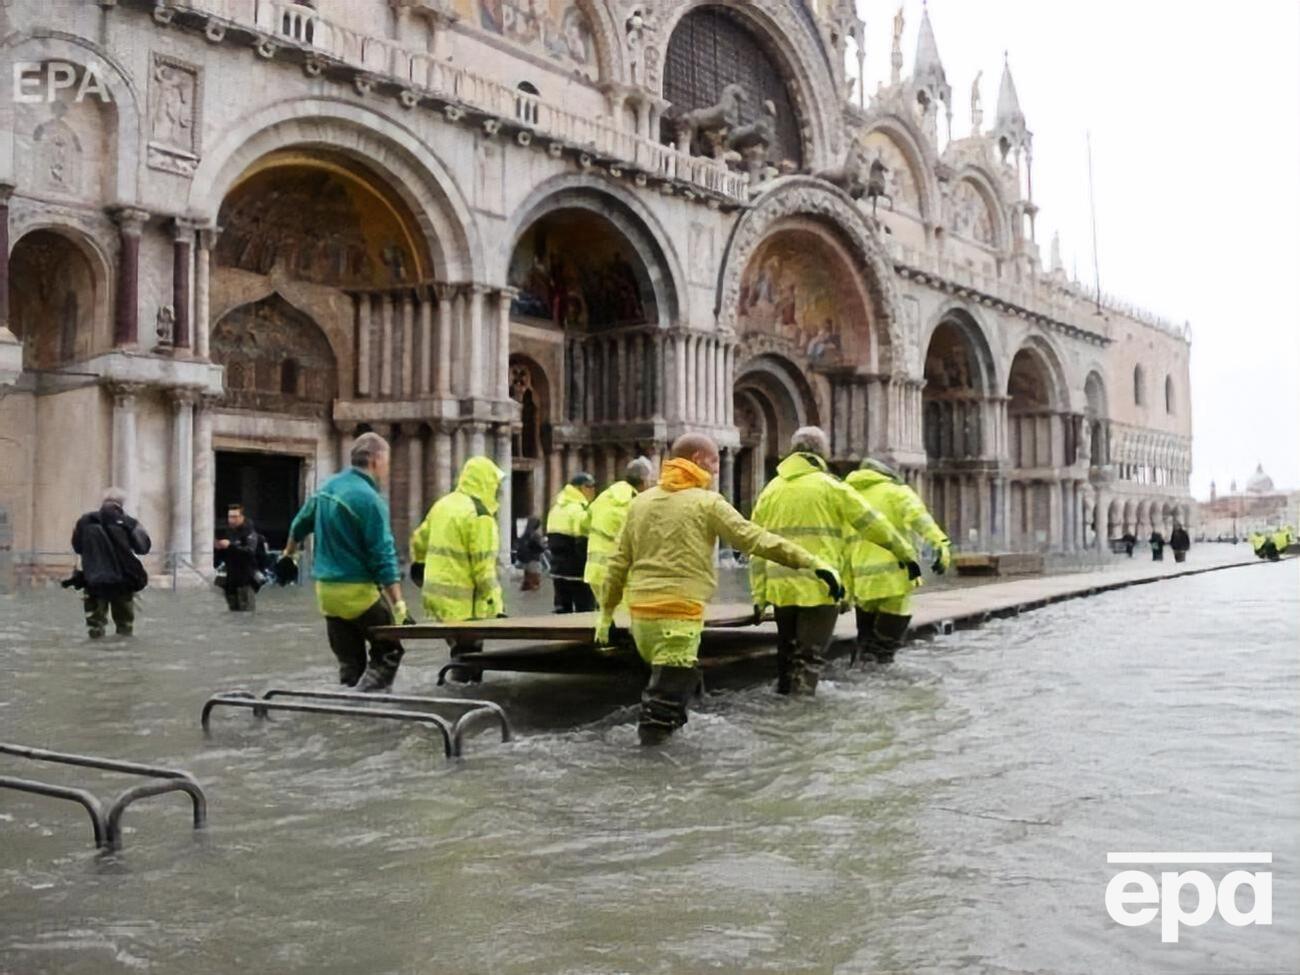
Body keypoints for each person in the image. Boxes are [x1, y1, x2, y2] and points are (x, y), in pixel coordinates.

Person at [597, 434, 845, 746]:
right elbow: (755, 539)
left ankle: (676, 743)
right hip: (679, 619)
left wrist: (606, 614)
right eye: (715, 462)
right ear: (699, 459)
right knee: (660, 715)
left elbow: (618, 563)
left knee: (679, 689)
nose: (717, 470)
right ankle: (654, 773)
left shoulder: (640, 502)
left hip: (642, 622)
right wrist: (813, 562)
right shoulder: (708, 503)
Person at [749, 427, 919, 695]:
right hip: (819, 586)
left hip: (780, 588)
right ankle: (801, 720)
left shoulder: (771, 490)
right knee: (809, 658)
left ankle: (782, 708)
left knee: (786, 657)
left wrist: (759, 595)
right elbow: (874, 525)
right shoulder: (831, 487)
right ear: (821, 452)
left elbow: (756, 546)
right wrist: (905, 554)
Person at [280, 432, 409, 692]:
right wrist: (399, 604)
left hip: (327, 595)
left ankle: (347, 704)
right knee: (389, 651)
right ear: (375, 460)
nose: (386, 469)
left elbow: (298, 524)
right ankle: (365, 703)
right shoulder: (370, 500)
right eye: (386, 461)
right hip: (357, 593)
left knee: (350, 665)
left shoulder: (326, 488)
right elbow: (383, 555)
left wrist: (288, 556)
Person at [845, 458, 951, 664]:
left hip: (861, 583)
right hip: (893, 579)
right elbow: (922, 521)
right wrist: (941, 545)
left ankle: (859, 677)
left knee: (865, 643)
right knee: (884, 648)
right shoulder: (897, 492)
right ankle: (881, 687)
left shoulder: (847, 495)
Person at [410, 456, 507, 665]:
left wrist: (419, 567)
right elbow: (484, 570)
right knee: (470, 656)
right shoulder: (480, 515)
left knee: (458, 649)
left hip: (435, 599)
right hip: (463, 603)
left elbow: (418, 541)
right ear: (486, 482)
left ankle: (452, 687)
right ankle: (461, 690)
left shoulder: (443, 504)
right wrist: (496, 605)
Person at [70, 487, 151, 639]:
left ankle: (95, 656)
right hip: (122, 582)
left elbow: (77, 546)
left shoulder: (85, 522)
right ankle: (123, 657)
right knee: (125, 625)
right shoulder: (129, 523)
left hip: (94, 581)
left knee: (95, 626)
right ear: (122, 503)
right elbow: (143, 548)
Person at [584, 456, 654, 607]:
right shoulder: (635, 503)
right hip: (616, 575)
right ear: (644, 481)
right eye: (650, 481)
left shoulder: (607, 494)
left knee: (606, 619)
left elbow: (586, 521)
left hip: (594, 571)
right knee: (625, 620)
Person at [547, 472, 596, 613]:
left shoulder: (556, 508)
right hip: (577, 572)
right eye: (590, 486)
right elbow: (583, 542)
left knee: (562, 611)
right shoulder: (578, 510)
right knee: (586, 612)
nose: (593, 490)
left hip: (557, 571)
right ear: (580, 488)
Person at [216, 503, 266, 611]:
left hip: (246, 579)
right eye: (230, 517)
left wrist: (230, 546)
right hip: (230, 579)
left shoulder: (250, 532)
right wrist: (219, 548)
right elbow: (224, 556)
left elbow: (249, 552)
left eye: (234, 517)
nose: (231, 520)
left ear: (241, 517)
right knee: (233, 611)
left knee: (246, 611)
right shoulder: (227, 531)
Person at [516, 515, 547, 592]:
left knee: (527, 582)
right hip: (534, 560)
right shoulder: (535, 536)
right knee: (534, 582)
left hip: (526, 561)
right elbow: (541, 547)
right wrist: (544, 545)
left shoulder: (524, 535)